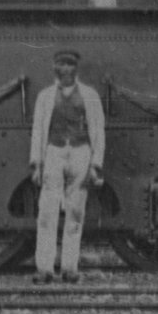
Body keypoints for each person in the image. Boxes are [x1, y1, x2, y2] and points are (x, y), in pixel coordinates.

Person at [30, 49, 106, 283]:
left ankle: (70, 268)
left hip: (80, 152)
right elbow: (38, 130)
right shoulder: (45, 96)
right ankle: (44, 268)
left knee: (75, 212)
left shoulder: (89, 95)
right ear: (55, 68)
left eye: (69, 65)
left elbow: (97, 129)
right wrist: (37, 164)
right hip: (53, 152)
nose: (64, 70)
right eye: (60, 65)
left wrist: (96, 163)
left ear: (75, 69)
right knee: (47, 212)